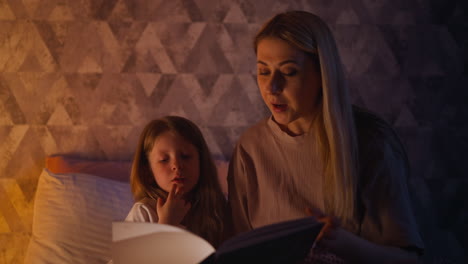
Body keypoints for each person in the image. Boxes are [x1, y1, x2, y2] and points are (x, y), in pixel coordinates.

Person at [226, 10, 424, 263]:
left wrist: (343, 243)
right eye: (264, 71)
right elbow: (238, 250)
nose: (271, 87)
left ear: (322, 74)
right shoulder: (249, 148)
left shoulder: (371, 143)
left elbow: (407, 260)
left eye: (289, 72)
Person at [127, 116, 226, 247]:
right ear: (148, 171)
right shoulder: (144, 213)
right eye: (164, 160)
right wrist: (166, 223)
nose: (177, 165)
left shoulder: (216, 210)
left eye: (185, 156)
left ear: (201, 163)